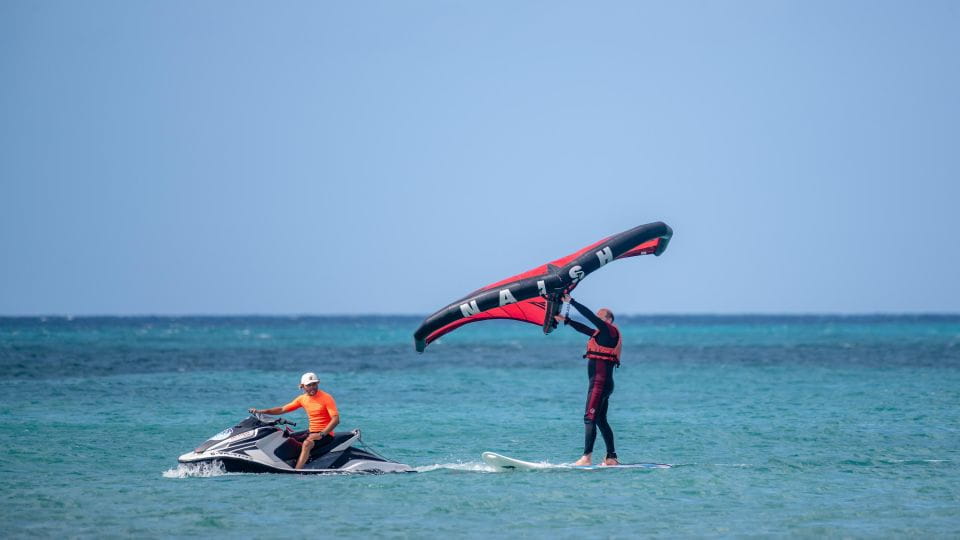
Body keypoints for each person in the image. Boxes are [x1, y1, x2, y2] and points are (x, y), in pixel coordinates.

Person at [555, 293, 621, 466]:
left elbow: (589, 317)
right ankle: (611, 458)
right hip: (604, 383)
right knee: (600, 419)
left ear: (609, 320)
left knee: (589, 418)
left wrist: (572, 302)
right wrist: (566, 320)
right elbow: (585, 329)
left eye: (601, 316)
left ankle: (586, 457)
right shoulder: (602, 335)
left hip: (599, 384)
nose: (597, 317)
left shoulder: (610, 331)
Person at [249, 372, 340, 470]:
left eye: (314, 384)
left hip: (326, 434)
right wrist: (260, 411)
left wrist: (322, 434)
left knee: (307, 443)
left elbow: (336, 420)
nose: (312, 387)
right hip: (311, 431)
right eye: (309, 385)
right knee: (284, 438)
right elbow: (282, 409)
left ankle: (297, 470)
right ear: (302, 386)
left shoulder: (326, 398)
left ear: (318, 383)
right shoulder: (302, 399)